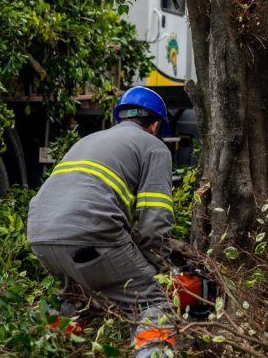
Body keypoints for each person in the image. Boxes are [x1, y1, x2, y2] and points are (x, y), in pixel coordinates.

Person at [27, 86, 176, 357]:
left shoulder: (88, 140)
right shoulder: (154, 147)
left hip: (40, 235)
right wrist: (156, 267)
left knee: (76, 300)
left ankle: (55, 347)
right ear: (155, 125)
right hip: (90, 235)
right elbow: (155, 220)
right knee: (152, 302)